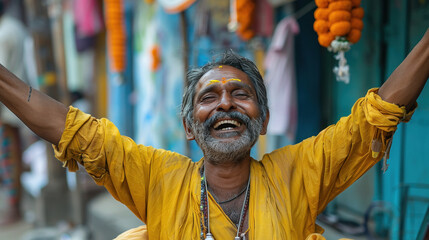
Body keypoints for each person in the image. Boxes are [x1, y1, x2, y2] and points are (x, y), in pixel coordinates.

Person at [0, 25, 428, 239]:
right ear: (189, 126)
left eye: (240, 94)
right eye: (209, 98)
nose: (225, 103)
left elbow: (376, 115)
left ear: (261, 118)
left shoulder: (298, 172)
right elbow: (74, 132)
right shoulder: (158, 178)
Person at [0, 0, 28, 225]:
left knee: (9, 158)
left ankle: (14, 208)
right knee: (14, 155)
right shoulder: (15, 27)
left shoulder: (4, 32)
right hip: (19, 102)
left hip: (6, 107)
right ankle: (15, 205)